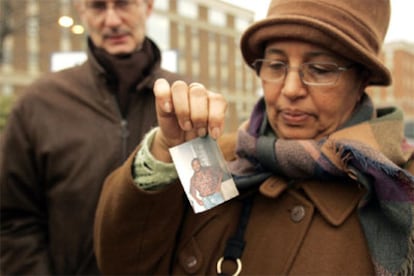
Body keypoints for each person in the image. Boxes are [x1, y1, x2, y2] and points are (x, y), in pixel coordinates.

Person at [94, 0, 414, 275]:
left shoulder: (400, 187)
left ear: (362, 81)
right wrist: (165, 151)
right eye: (275, 65)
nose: (289, 89)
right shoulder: (218, 157)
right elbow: (125, 265)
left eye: (319, 69)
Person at [0, 0, 187, 274]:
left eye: (123, 4)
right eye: (98, 7)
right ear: (82, 12)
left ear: (148, 7)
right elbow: (12, 218)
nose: (111, 20)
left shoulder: (182, 100)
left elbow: (209, 204)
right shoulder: (39, 103)